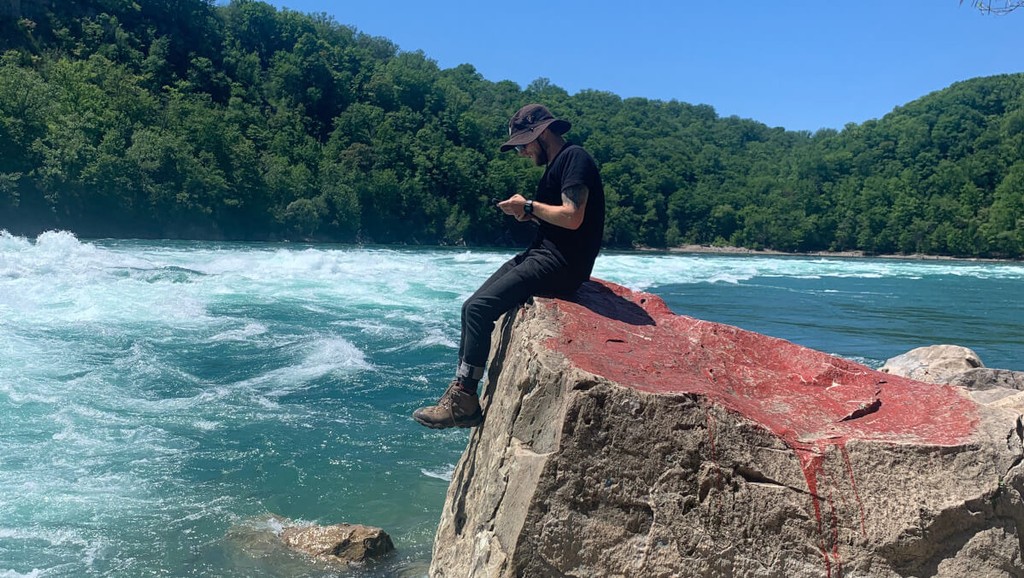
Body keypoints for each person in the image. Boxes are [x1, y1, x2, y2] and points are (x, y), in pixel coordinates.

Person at [412, 103, 605, 429]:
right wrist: (528, 213)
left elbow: (573, 217)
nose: (521, 152)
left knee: (479, 310)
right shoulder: (558, 164)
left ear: (542, 134)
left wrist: (528, 205)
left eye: (522, 144)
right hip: (543, 254)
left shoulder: (575, 158)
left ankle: (464, 401)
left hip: (561, 264)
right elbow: (561, 219)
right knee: (471, 307)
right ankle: (461, 394)